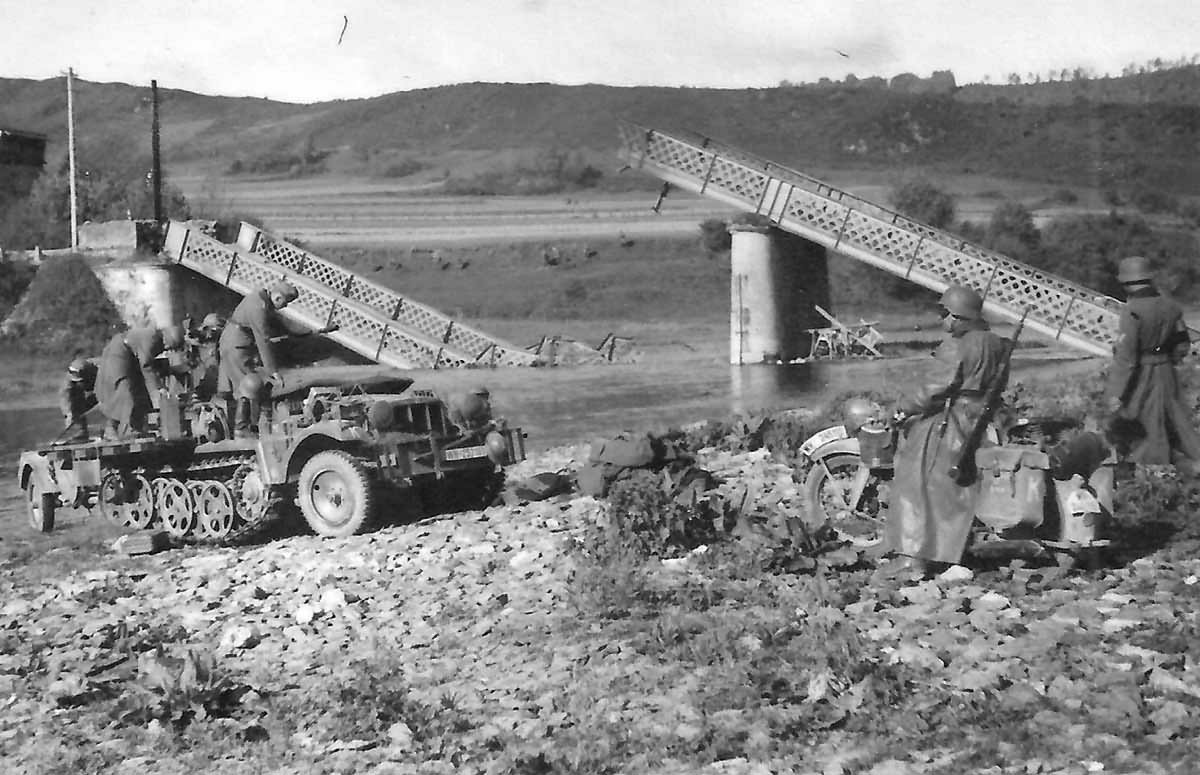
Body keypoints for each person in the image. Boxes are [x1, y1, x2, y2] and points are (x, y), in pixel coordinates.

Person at [884, 284, 1010, 575]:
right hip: (979, 421)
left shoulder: (956, 345)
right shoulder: (997, 344)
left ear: (959, 315)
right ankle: (951, 553)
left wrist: (901, 408)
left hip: (947, 422)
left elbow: (933, 389)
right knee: (956, 493)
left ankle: (912, 558)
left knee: (913, 486)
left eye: (946, 314)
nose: (943, 320)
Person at [1104, 255, 1200, 471]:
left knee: (1145, 424)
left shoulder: (1132, 311)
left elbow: (1126, 357)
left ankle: (1153, 470)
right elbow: (1182, 343)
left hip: (1142, 375)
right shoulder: (1171, 307)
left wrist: (1115, 393)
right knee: (1178, 421)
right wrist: (1168, 359)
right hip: (1167, 373)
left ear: (1126, 283)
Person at [218, 280, 299, 438]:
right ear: (278, 297)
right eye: (285, 302)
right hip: (236, 346)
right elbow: (263, 339)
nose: (285, 306)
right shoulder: (258, 307)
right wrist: (273, 371)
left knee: (248, 384)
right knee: (248, 385)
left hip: (238, 344)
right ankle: (241, 429)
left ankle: (252, 425)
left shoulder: (260, 300)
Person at [95, 326, 166, 438]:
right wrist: (158, 388)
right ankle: (127, 430)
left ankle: (133, 427)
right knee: (125, 393)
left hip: (128, 355)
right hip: (118, 354)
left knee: (139, 392)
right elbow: (146, 364)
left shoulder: (155, 337)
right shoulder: (151, 337)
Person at [58, 356, 99, 442]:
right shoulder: (68, 380)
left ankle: (114, 429)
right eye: (75, 381)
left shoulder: (101, 368)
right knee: (76, 405)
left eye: (80, 381)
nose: (78, 383)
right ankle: (80, 433)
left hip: (104, 385)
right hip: (93, 388)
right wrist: (69, 415)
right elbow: (65, 397)